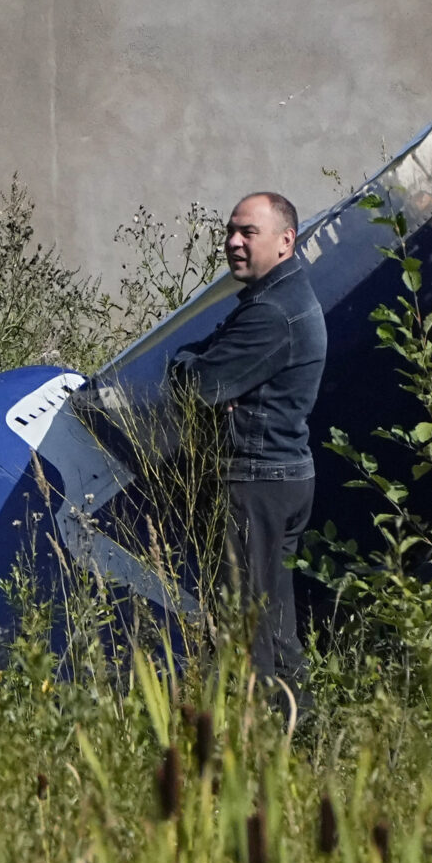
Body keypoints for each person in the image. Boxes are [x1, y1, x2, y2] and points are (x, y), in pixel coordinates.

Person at [172, 191, 326, 699]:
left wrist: (185, 366)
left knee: (245, 626)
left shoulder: (271, 313)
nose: (234, 243)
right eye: (230, 232)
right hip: (282, 476)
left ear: (286, 240)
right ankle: (297, 726)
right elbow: (210, 370)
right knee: (274, 627)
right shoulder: (275, 299)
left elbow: (199, 386)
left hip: (257, 480)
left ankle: (255, 728)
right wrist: (204, 365)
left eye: (248, 233)